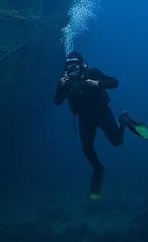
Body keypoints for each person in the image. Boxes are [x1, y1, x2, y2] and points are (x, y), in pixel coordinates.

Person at [53, 52, 140, 200]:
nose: (72, 68)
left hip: (102, 112)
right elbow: (57, 101)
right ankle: (98, 169)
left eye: (75, 65)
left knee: (117, 142)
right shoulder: (65, 82)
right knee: (86, 146)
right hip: (84, 118)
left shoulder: (92, 73)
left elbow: (114, 82)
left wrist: (97, 83)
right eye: (69, 66)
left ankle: (123, 119)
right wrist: (61, 87)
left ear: (82, 65)